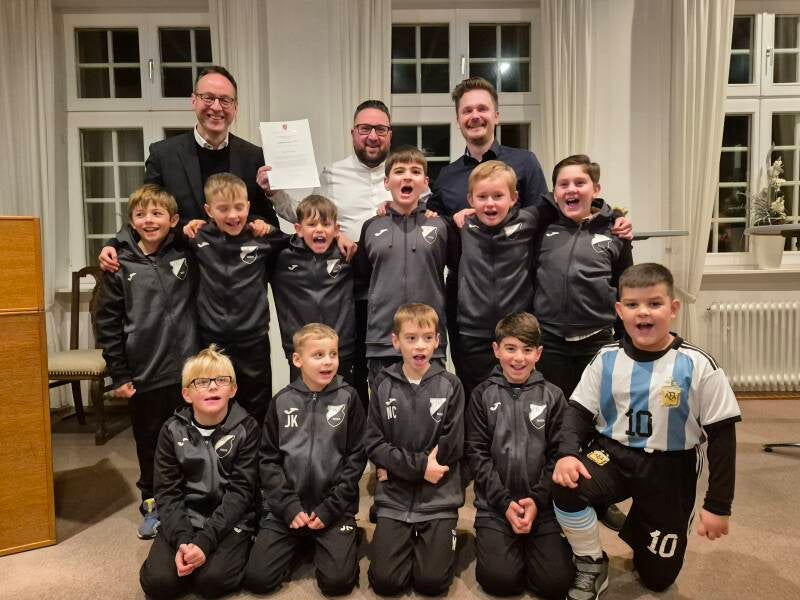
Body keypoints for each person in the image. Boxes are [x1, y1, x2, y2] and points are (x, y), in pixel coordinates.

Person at [552, 263, 741, 599]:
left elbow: (723, 438)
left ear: (673, 308)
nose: (643, 312)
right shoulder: (605, 358)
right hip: (613, 453)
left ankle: (645, 524)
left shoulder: (699, 365)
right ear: (619, 311)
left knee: (657, 578)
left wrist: (718, 505)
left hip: (671, 466)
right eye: (633, 304)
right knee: (566, 484)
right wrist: (567, 454)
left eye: (654, 303)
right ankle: (591, 562)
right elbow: (577, 412)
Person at [262, 99, 395, 406]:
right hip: (351, 291)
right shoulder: (332, 174)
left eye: (380, 129)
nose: (372, 136)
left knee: (389, 380)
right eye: (365, 128)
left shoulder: (401, 173)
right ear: (353, 133)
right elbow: (307, 215)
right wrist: (274, 192)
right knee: (352, 378)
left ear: (390, 133)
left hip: (392, 292)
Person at [95, 184, 199, 540]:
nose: (149, 220)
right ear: (131, 222)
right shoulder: (118, 265)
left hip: (186, 373)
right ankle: (152, 503)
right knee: (150, 442)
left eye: (157, 213)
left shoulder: (186, 253)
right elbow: (108, 323)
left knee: (190, 438)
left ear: (173, 219)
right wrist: (119, 374)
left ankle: (188, 500)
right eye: (141, 215)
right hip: (144, 374)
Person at [243, 324, 366, 596]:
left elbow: (356, 458)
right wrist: (288, 506)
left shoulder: (349, 397)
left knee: (337, 583)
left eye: (333, 354)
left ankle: (341, 539)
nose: (328, 361)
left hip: (333, 509)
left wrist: (330, 508)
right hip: (287, 509)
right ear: (297, 360)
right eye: (318, 355)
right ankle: (301, 540)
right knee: (258, 579)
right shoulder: (281, 401)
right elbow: (268, 460)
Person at [466, 312, 574, 599]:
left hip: (543, 507)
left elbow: (558, 454)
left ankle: (543, 546)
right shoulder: (481, 395)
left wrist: (538, 500)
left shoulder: (553, 396)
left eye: (527, 350)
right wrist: (504, 503)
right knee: (499, 581)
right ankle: (502, 543)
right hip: (495, 507)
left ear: (538, 353)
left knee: (554, 585)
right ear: (496, 350)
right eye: (510, 348)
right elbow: (477, 455)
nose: (518, 358)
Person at [139, 345, 260, 600]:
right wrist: (183, 540)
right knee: (158, 584)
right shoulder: (171, 431)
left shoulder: (247, 429)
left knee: (212, 582)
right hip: (186, 517)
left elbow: (241, 493)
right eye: (201, 382)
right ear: (187, 393)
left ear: (233, 389)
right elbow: (167, 492)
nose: (212, 387)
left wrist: (205, 542)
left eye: (221, 380)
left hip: (230, 522)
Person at [365, 303, 465, 596]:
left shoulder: (451, 385)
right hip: (395, 496)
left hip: (439, 494)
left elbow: (452, 445)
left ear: (437, 341)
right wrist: (421, 467)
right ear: (396, 341)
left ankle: (439, 537)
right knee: (386, 583)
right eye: (410, 338)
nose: (419, 345)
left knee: (431, 583)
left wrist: (395, 467)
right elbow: (374, 443)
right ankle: (397, 533)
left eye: (427, 337)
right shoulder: (382, 384)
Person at [533, 154, 634, 401]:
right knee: (556, 409)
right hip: (550, 341)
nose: (571, 189)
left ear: (595, 189)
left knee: (598, 409)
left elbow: (626, 289)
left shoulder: (615, 232)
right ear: (555, 193)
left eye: (580, 183)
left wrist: (626, 340)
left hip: (597, 341)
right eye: (563, 184)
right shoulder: (541, 228)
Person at [353, 146, 458, 382]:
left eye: (416, 171)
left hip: (428, 342)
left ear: (425, 183)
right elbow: (360, 281)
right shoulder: (371, 226)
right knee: (383, 405)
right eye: (399, 171)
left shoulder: (440, 226)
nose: (407, 177)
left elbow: (459, 273)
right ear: (386, 182)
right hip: (383, 341)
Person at [145, 65, 278, 228]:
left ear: (235, 107)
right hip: (183, 245)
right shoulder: (162, 155)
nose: (216, 107)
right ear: (194, 101)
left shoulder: (254, 157)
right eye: (208, 98)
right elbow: (147, 216)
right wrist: (185, 229)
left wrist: (258, 224)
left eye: (225, 100)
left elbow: (269, 222)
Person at [270, 195, 356, 393]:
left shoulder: (347, 254)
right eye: (311, 224)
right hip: (300, 351)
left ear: (336, 229)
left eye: (326, 224)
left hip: (340, 350)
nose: (319, 229)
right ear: (298, 229)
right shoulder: (281, 256)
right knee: (303, 404)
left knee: (342, 404)